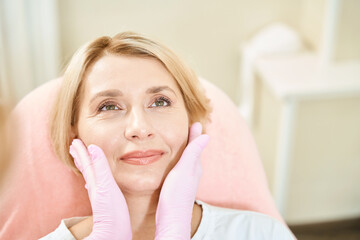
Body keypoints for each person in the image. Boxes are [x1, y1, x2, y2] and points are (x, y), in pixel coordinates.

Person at [41, 31, 294, 240]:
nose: (140, 128)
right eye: (108, 106)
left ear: (190, 118)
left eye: (160, 102)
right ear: (73, 131)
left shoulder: (260, 234)